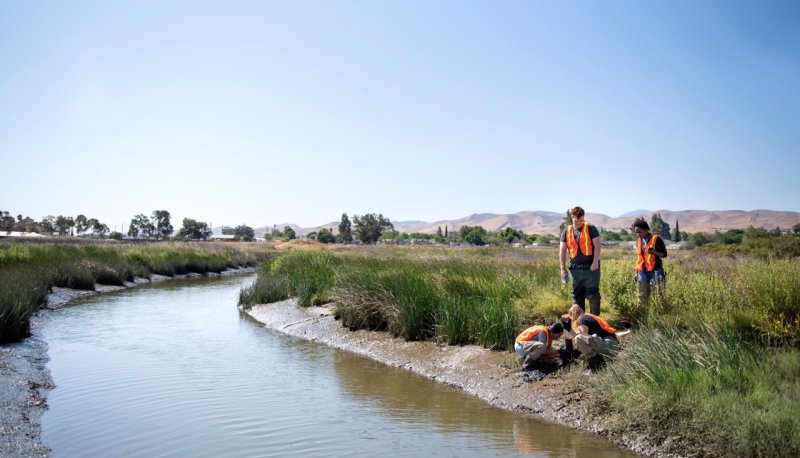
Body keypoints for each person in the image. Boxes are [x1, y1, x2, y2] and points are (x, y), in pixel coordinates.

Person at [559, 206, 602, 315]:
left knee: (593, 296)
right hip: (575, 269)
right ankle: (579, 323)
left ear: (583, 217)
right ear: (571, 217)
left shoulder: (591, 228)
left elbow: (597, 246)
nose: (578, 222)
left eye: (580, 220)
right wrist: (562, 269)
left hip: (591, 268)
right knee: (577, 296)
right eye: (575, 220)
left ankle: (594, 322)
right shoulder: (566, 231)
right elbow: (562, 250)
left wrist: (595, 261)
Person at [632, 218, 668, 307]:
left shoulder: (656, 239)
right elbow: (639, 258)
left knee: (658, 295)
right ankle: (642, 314)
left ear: (646, 229)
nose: (638, 234)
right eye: (636, 232)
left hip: (656, 271)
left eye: (639, 232)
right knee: (641, 295)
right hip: (642, 271)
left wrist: (655, 252)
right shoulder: (639, 241)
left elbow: (664, 254)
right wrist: (636, 272)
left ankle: (659, 314)